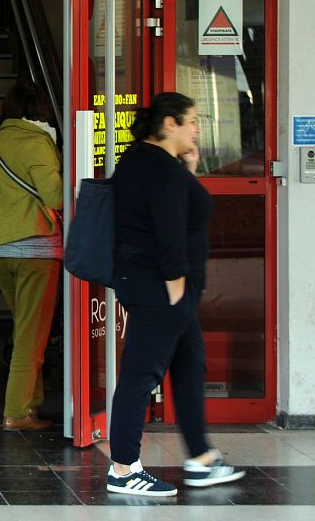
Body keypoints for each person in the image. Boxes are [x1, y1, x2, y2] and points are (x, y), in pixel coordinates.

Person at [105, 92, 245, 497]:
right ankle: (123, 468)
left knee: (188, 365)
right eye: (191, 120)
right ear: (169, 124)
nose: (197, 127)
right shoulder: (160, 171)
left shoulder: (141, 160)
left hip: (147, 285)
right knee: (140, 374)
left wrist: (189, 169)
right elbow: (168, 235)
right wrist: (177, 288)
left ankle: (200, 459)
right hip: (161, 290)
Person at [0, 82, 63, 431]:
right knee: (32, 336)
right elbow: (55, 197)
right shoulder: (37, 142)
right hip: (36, 251)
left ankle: (31, 406)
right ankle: (16, 411)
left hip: (0, 252)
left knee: (26, 329)